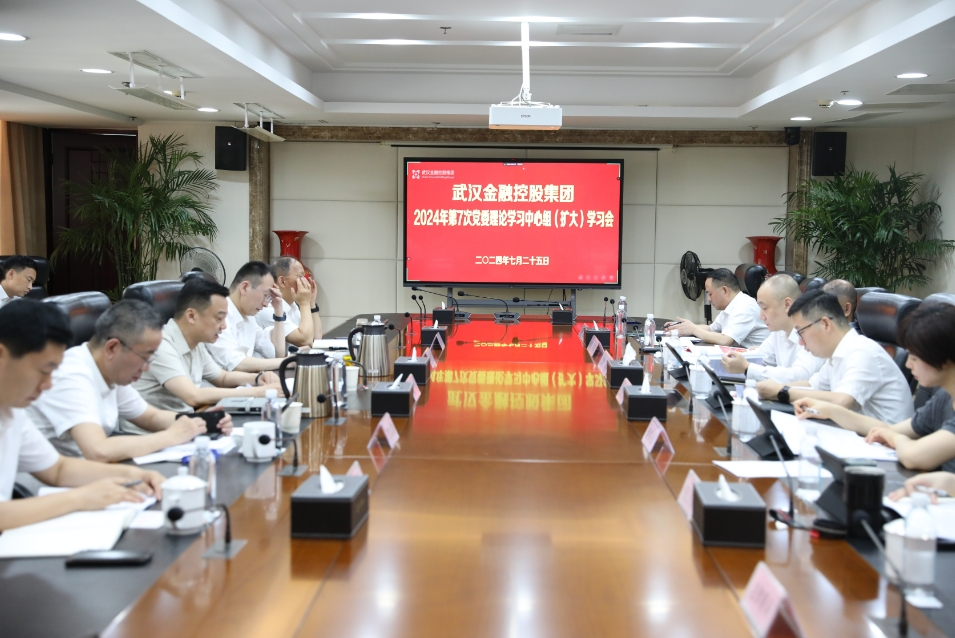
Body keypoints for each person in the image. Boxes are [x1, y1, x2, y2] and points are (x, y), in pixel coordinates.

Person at [0, 299, 165, 531]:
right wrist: (81, 498)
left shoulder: (11, 409)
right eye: (43, 371)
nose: (48, 384)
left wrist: (133, 474)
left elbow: (58, 469)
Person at [27, 300, 232, 462]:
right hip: (42, 486)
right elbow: (98, 450)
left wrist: (200, 423)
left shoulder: (110, 371)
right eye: (145, 357)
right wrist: (172, 436)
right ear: (112, 348)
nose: (147, 367)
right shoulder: (72, 375)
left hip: (89, 470)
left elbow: (150, 417)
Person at [794, 304, 955, 471]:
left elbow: (912, 456)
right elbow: (888, 430)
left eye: (914, 358)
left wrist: (897, 439)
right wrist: (830, 411)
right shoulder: (944, 397)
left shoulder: (862, 351)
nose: (908, 364)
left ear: (942, 359)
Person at [757, 290, 913, 424]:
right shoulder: (837, 354)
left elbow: (841, 401)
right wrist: (766, 388)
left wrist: (782, 391)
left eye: (801, 332)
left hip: (885, 445)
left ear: (825, 324)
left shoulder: (862, 352)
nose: (800, 342)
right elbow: (812, 385)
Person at [133, 278, 282, 412]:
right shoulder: (160, 345)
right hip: (156, 431)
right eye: (219, 318)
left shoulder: (195, 343)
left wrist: (258, 378)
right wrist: (258, 392)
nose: (224, 326)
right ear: (191, 316)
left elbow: (222, 378)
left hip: (185, 424)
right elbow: (193, 396)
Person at [720, 274, 824, 382]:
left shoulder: (812, 331)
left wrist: (748, 368)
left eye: (764, 308)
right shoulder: (779, 330)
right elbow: (760, 357)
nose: (761, 316)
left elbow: (800, 376)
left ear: (787, 304)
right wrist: (726, 359)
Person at [206, 261, 288, 373]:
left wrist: (278, 311)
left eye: (269, 298)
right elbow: (235, 363)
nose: (266, 304)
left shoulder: (249, 317)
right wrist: (286, 362)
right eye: (266, 295)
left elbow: (277, 353)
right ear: (244, 287)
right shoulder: (217, 315)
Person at [667, 268, 769, 348]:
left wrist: (693, 329)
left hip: (757, 362)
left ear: (724, 290)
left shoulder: (745, 306)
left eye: (710, 294)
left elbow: (725, 340)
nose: (709, 299)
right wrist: (683, 327)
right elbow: (711, 329)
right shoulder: (732, 305)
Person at [255, 256, 322, 348]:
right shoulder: (269, 308)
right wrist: (304, 304)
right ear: (282, 281)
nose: (305, 281)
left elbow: (316, 338)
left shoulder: (292, 304)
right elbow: (305, 341)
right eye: (300, 276)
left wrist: (311, 303)